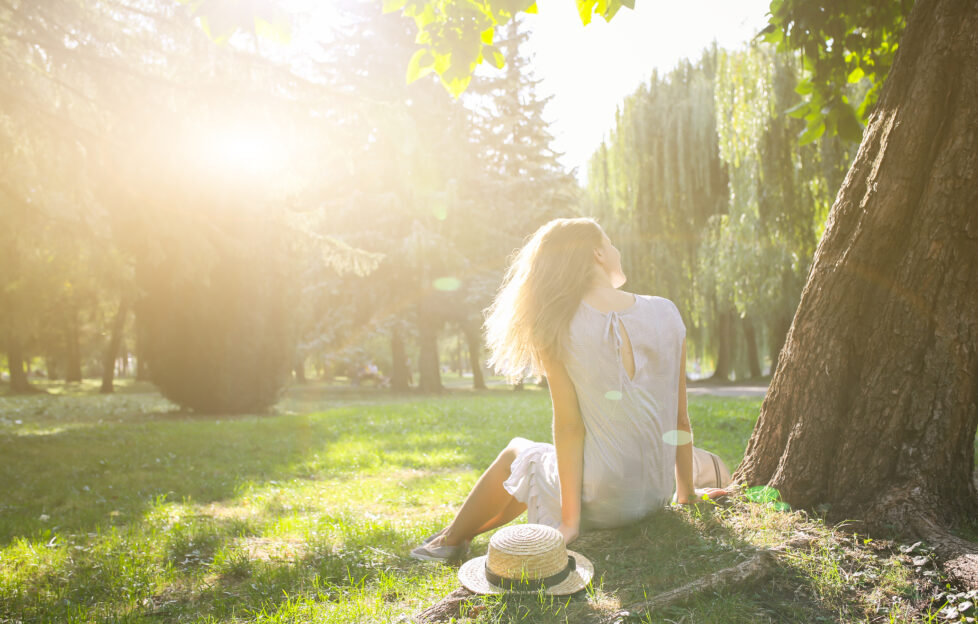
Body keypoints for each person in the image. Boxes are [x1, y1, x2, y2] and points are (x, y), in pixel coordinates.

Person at [410, 217, 729, 563]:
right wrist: (686, 495)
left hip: (605, 502)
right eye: (611, 243)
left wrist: (569, 523)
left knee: (519, 452)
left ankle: (450, 540)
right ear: (597, 254)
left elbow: (569, 427)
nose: (616, 249)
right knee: (534, 465)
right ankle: (455, 538)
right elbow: (680, 419)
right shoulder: (666, 311)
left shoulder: (556, 322)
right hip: (655, 494)